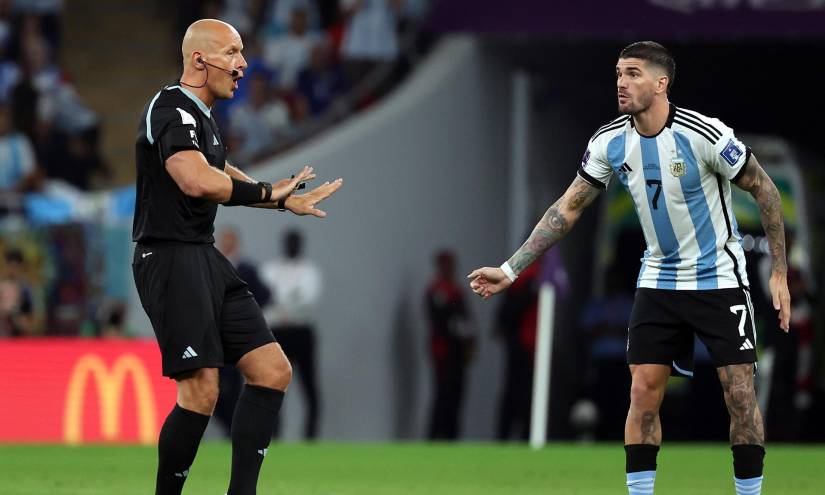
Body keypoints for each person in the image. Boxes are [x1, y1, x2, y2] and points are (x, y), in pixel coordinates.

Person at [468, 41, 790, 495]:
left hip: (718, 276)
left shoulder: (704, 135)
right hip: (658, 279)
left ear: (662, 83)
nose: (622, 82)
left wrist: (778, 272)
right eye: (619, 73)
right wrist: (511, 268)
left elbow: (766, 190)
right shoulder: (609, 141)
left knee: (739, 395)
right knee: (642, 394)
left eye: (634, 73)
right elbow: (568, 209)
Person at [132, 19, 342, 495]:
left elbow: (219, 168)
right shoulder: (169, 108)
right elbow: (196, 180)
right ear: (199, 60)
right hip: (169, 257)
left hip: (202, 256)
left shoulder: (201, 118)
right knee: (201, 390)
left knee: (273, 370)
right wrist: (267, 191)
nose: (243, 64)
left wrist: (281, 198)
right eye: (232, 53)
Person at [260, 229, 322, 439]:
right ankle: (274, 434)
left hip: (301, 332)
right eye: (289, 242)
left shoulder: (309, 271)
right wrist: (290, 298)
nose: (292, 246)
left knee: (309, 384)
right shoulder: (270, 270)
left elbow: (308, 301)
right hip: (277, 333)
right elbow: (262, 298)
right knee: (275, 384)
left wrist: (280, 300)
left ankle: (310, 436)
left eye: (295, 243)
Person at [424, 250, 475, 440]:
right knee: (442, 395)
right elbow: (441, 322)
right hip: (443, 351)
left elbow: (466, 321)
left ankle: (452, 436)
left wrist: (469, 344)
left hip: (457, 353)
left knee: (456, 396)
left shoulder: (456, 290)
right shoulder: (436, 291)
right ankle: (436, 436)